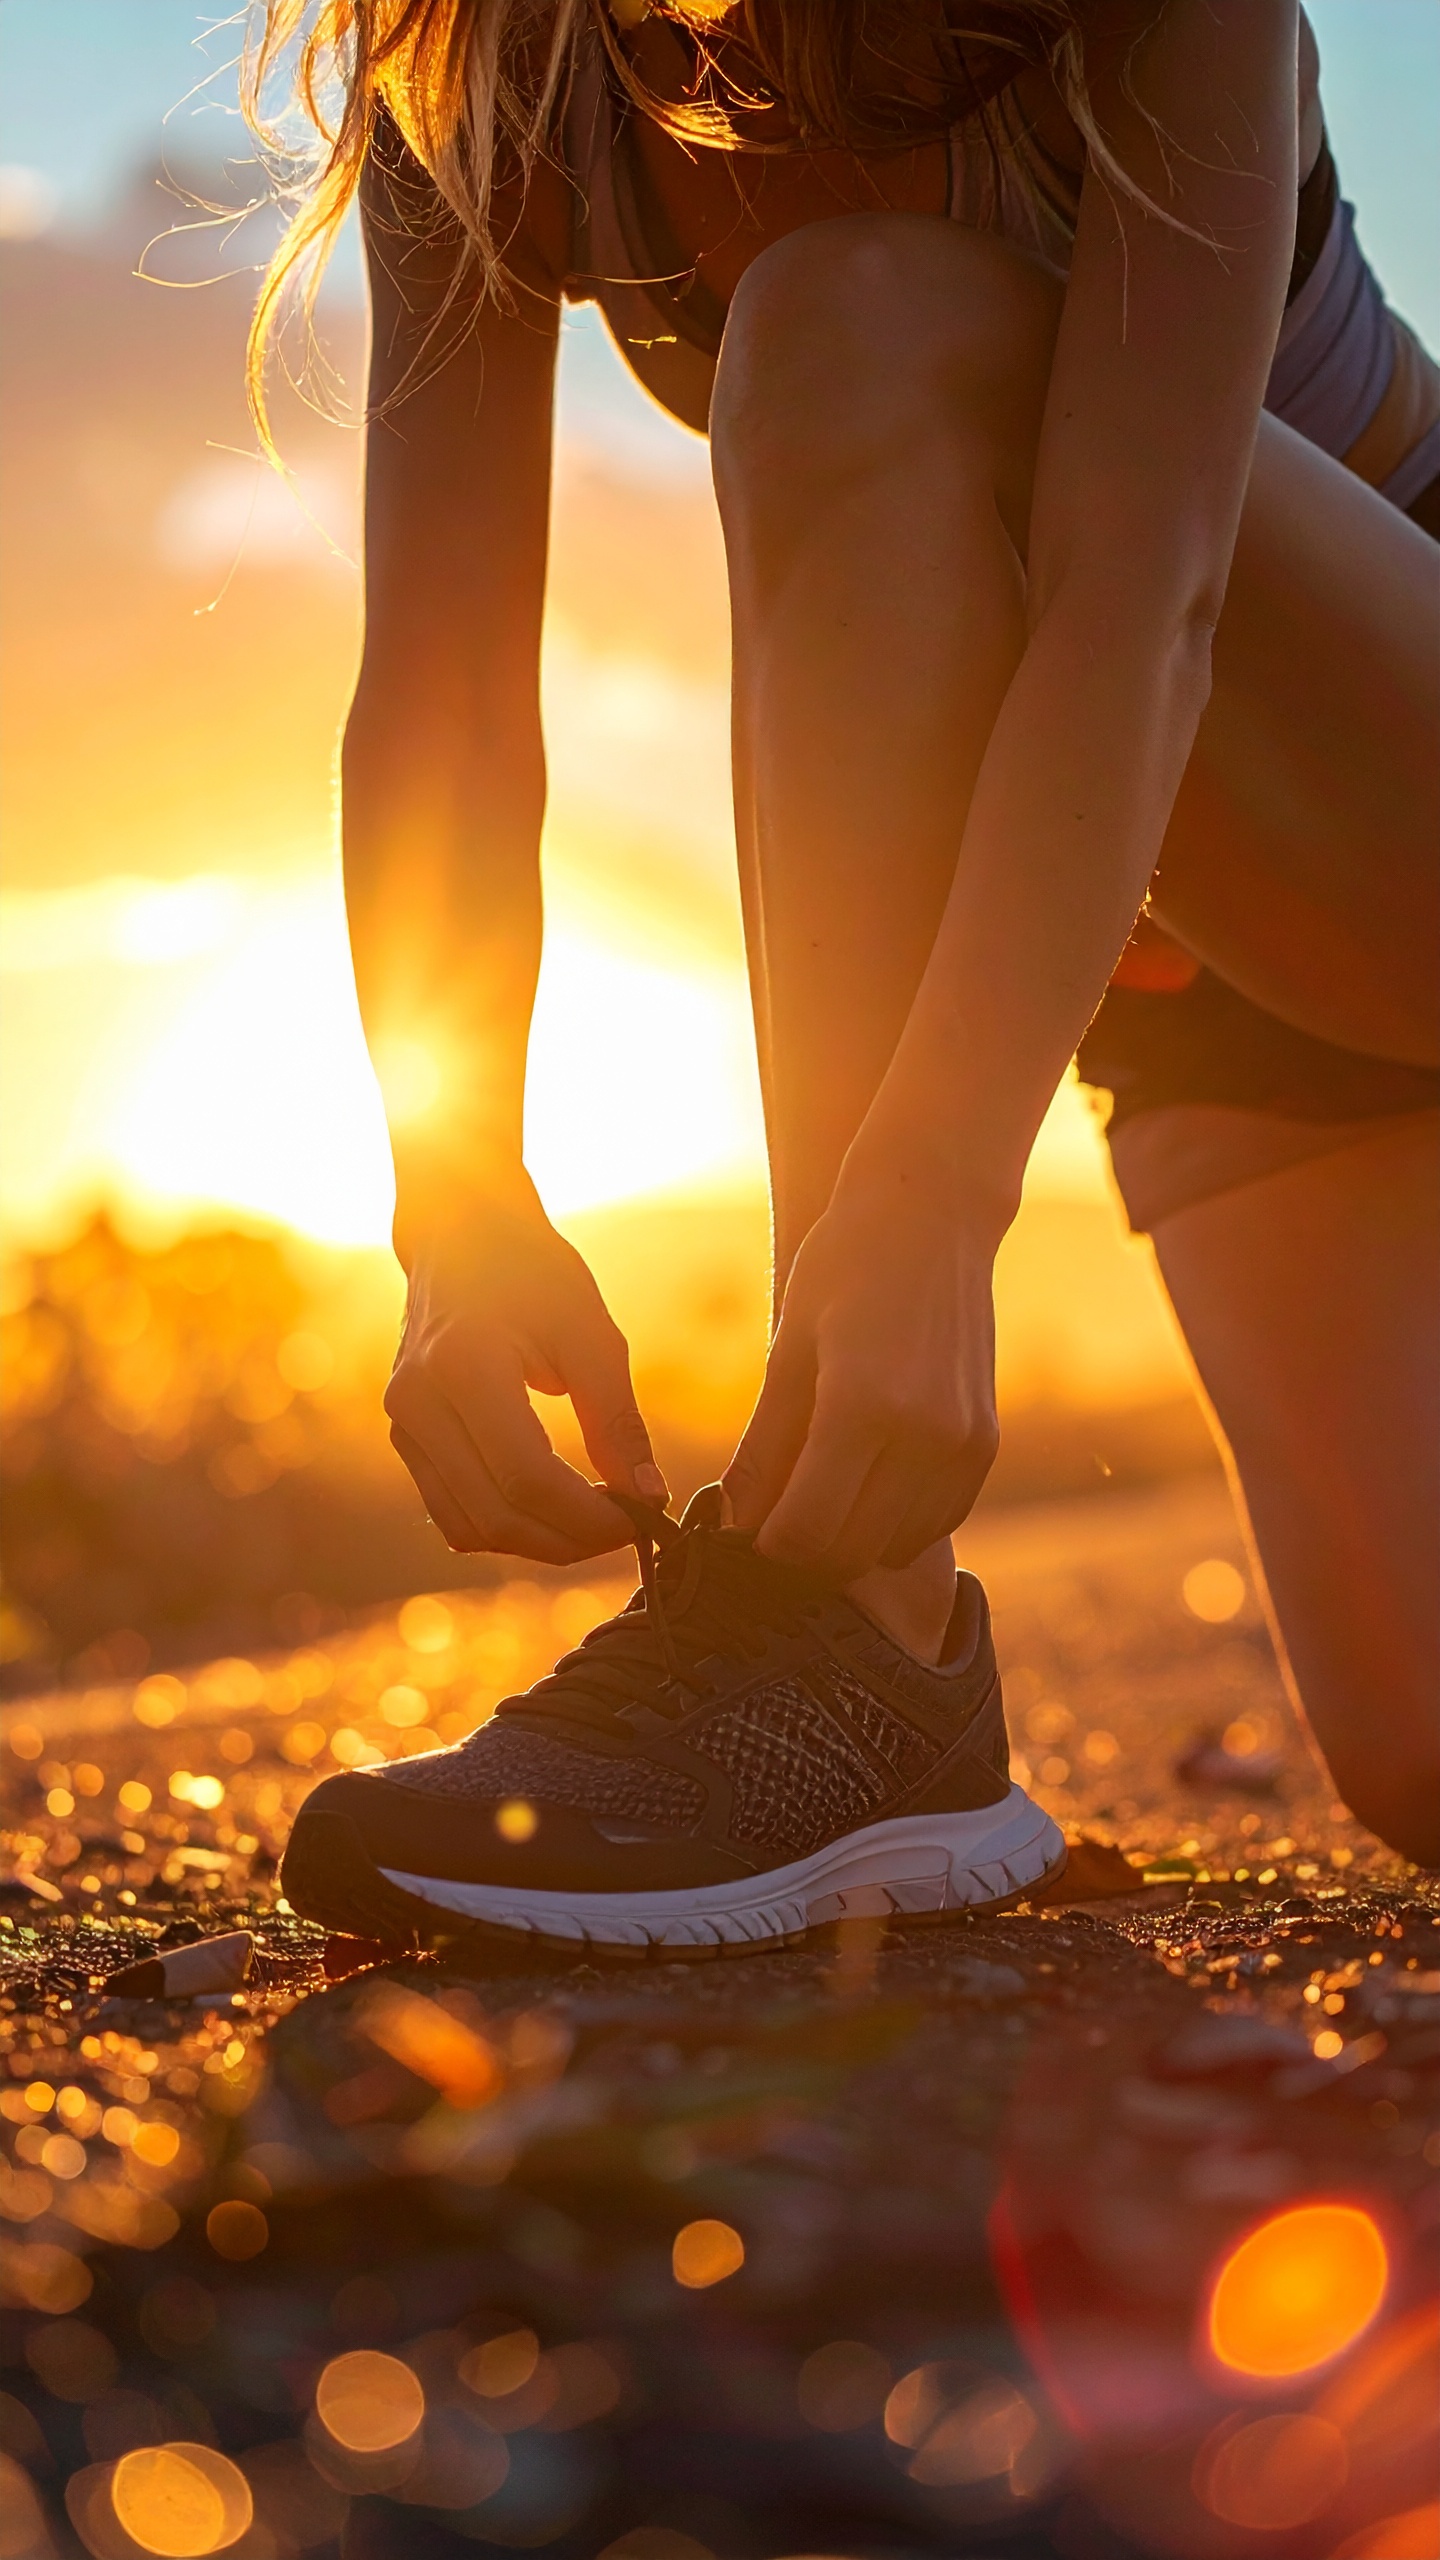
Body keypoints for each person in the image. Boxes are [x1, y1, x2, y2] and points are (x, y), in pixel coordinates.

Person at [262, 0, 1438, 1954]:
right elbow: (446, 690)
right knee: (1420, 1762)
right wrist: (454, 1199)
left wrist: (925, 1196)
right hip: (1196, 965)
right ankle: (880, 1683)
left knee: (853, 316)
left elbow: (1142, 602)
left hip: (1378, 780)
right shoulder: (481, 67)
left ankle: (852, 1625)